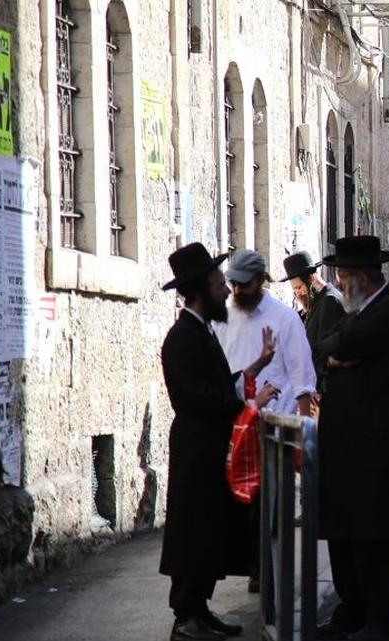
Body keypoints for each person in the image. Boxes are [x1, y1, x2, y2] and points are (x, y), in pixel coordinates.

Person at [159, 243, 279, 641]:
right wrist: (248, 404)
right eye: (217, 285)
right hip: (196, 451)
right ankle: (186, 617)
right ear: (198, 291)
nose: (226, 291)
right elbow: (196, 397)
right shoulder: (182, 338)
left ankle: (199, 609)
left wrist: (257, 365)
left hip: (209, 450)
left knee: (208, 532)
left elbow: (218, 384)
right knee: (193, 533)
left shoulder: (202, 331)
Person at [315, 236, 389, 641]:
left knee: (374, 538)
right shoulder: (357, 312)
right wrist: (336, 354)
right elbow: (325, 345)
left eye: (342, 276)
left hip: (374, 448)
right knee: (344, 535)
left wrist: (339, 351)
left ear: (360, 277)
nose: (338, 284)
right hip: (344, 448)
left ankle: (381, 622)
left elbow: (343, 342)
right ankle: (351, 613)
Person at [212, 249, 317, 591]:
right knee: (240, 502)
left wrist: (303, 431)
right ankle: (250, 563)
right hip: (237, 423)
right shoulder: (223, 317)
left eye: (244, 284)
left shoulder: (284, 319)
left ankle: (265, 570)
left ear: (260, 280)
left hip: (275, 427)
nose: (238, 291)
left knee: (269, 503)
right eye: (234, 285)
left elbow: (302, 377)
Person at [280, 250, 345, 389]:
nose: (297, 294)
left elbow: (324, 354)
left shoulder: (329, 301)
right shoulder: (314, 305)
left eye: (299, 287)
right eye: (294, 290)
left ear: (312, 279)